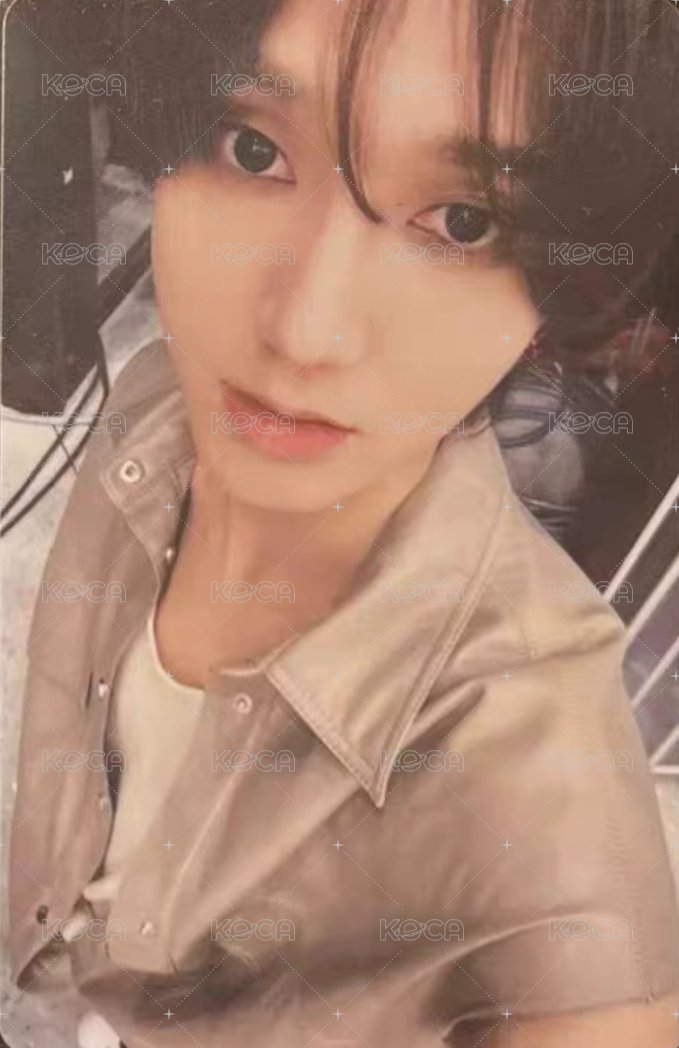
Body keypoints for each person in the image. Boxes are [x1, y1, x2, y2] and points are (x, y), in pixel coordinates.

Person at [6, 0, 679, 1045]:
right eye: (253, 149)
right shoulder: (156, 404)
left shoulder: (537, 809)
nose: (304, 330)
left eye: (464, 221)